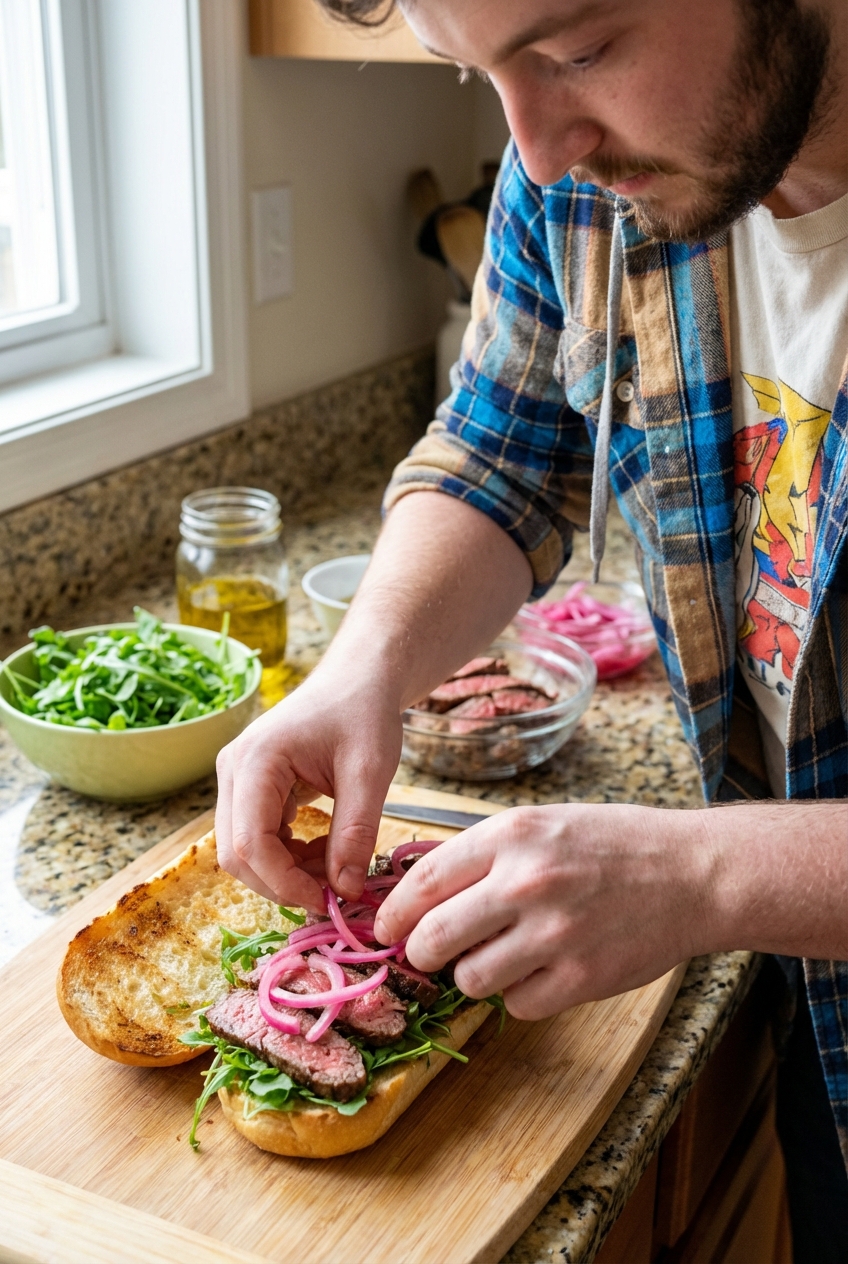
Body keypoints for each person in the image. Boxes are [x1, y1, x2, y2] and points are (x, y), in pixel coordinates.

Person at [216, 1, 847, 1255]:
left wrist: (704, 872)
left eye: (576, 51)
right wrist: (367, 666)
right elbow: (500, 454)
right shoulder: (583, 171)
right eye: (473, 74)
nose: (537, 148)